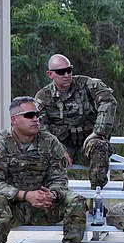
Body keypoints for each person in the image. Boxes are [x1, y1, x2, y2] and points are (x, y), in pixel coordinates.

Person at [0, 97, 88, 243]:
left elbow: (59, 179)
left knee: (76, 200)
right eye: (29, 115)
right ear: (14, 120)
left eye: (37, 115)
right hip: (14, 208)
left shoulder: (50, 142)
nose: (35, 119)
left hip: (45, 207)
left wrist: (53, 195)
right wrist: (25, 195)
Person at [35, 54, 117, 190]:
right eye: (61, 72)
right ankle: (52, 195)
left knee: (99, 146)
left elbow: (108, 101)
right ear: (50, 74)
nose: (66, 75)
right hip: (61, 146)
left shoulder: (87, 84)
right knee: (40, 154)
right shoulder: (43, 96)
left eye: (69, 70)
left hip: (87, 145)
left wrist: (98, 132)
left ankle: (96, 195)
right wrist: (57, 148)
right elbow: (40, 127)